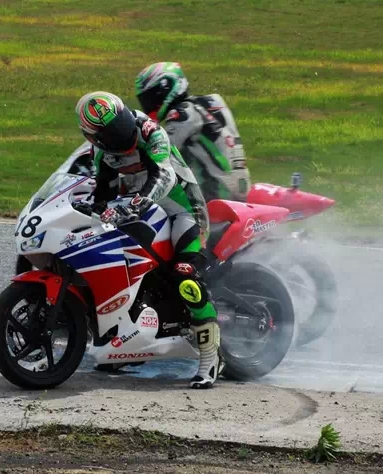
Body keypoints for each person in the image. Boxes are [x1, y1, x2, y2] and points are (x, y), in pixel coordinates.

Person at [74, 91, 222, 389]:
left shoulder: (152, 133)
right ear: (96, 138)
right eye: (113, 132)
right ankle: (125, 345)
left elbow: (164, 176)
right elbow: (102, 191)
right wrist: (91, 207)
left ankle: (211, 356)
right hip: (141, 212)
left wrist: (139, 201)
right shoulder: (100, 153)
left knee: (185, 276)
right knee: (118, 263)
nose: (124, 133)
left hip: (184, 210)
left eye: (123, 123)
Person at [134, 61, 252, 203]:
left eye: (151, 97)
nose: (150, 104)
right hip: (243, 188)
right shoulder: (214, 101)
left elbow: (160, 150)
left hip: (215, 196)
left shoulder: (181, 114)